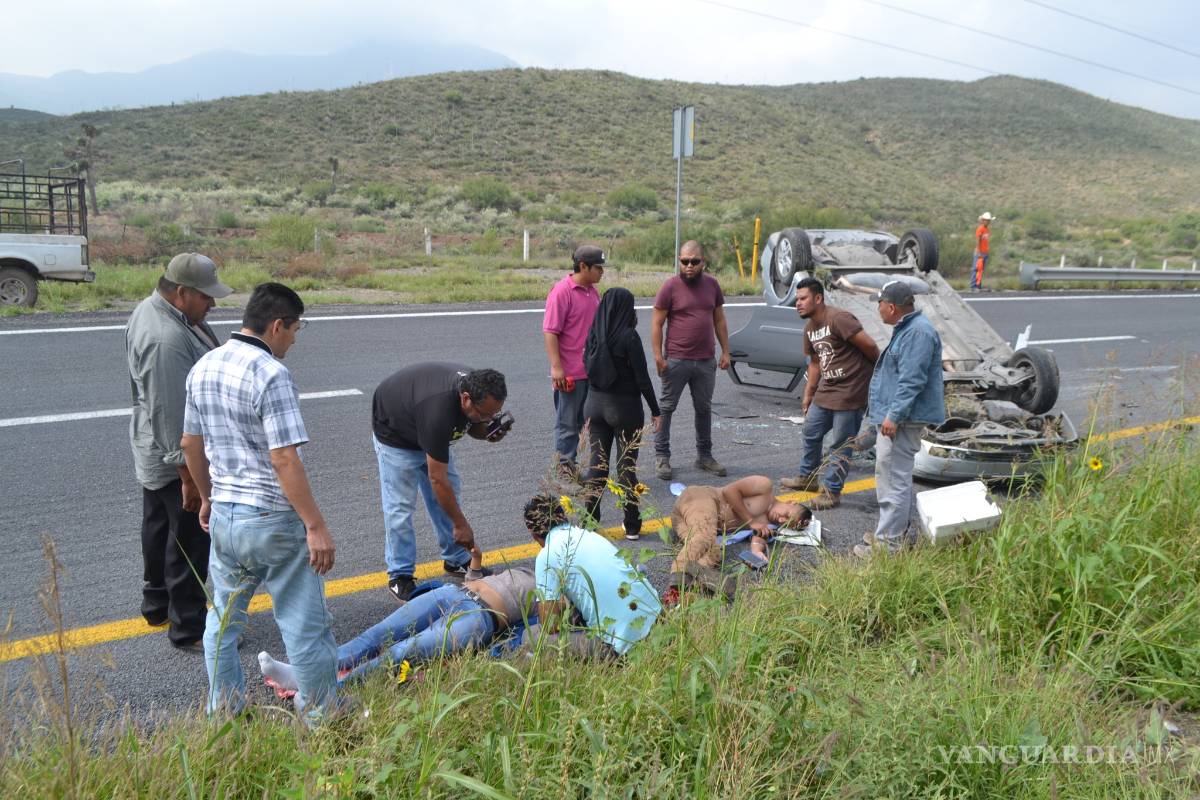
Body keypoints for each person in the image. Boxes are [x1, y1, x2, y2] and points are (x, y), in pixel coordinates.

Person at [181, 282, 341, 724]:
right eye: (295, 330)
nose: (294, 339)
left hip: (226, 517)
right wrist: (315, 525)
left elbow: (190, 443)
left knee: (222, 623)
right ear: (277, 326)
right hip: (271, 519)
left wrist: (207, 496)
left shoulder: (204, 366)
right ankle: (321, 717)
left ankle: (225, 711)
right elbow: (284, 457)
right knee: (304, 626)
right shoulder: (272, 374)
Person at [126, 252, 230, 651]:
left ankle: (156, 605)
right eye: (206, 296)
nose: (212, 303)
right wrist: (190, 477)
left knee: (157, 526)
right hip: (176, 455)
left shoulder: (156, 310)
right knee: (189, 537)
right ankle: (188, 626)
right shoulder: (166, 340)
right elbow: (172, 412)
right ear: (182, 292)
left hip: (151, 446)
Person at [257, 550, 536, 694]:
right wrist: (475, 562)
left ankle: (323, 692)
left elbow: (527, 635)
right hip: (454, 592)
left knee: (401, 652)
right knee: (375, 635)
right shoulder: (529, 568)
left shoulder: (550, 596)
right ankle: (304, 674)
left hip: (478, 617)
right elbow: (476, 580)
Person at [372, 363, 509, 603]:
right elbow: (437, 479)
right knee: (400, 508)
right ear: (465, 399)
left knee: (449, 496)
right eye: (485, 415)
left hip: (425, 423)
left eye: (494, 414)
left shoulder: (478, 388)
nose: (488, 419)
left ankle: (455, 558)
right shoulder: (438, 413)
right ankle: (399, 574)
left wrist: (488, 433)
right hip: (396, 431)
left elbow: (472, 425)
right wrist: (460, 525)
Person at [855, 280, 945, 559]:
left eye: (880, 304)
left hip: (902, 420)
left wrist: (893, 416)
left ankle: (889, 545)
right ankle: (893, 534)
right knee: (892, 477)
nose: (878, 309)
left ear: (892, 307)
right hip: (901, 417)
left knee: (893, 479)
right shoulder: (910, 329)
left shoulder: (917, 333)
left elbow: (911, 380)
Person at [779, 277, 879, 509]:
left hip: (850, 390)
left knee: (841, 445)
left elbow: (870, 346)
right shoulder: (809, 328)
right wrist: (808, 395)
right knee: (811, 431)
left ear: (818, 298)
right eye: (797, 299)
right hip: (828, 388)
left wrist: (876, 375)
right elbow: (815, 363)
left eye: (803, 298)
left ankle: (832, 491)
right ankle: (808, 478)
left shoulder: (839, 319)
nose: (798, 303)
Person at [522, 494, 661, 660]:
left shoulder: (547, 555)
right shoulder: (589, 535)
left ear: (532, 533)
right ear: (563, 516)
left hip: (624, 647)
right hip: (658, 623)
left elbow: (550, 625)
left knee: (531, 636)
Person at [581, 287, 661, 541]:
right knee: (625, 466)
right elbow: (642, 378)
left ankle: (589, 522)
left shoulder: (594, 333)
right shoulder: (629, 336)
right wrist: (655, 410)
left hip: (594, 405)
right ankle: (632, 523)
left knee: (597, 464)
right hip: (624, 408)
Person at [651, 240, 731, 480]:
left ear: (703, 262)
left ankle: (704, 456)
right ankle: (662, 456)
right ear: (679, 261)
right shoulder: (670, 287)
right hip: (676, 359)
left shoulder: (712, 285)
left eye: (694, 262)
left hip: (705, 361)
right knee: (666, 408)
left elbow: (719, 320)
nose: (689, 266)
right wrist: (658, 356)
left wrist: (726, 351)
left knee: (704, 408)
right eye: (684, 261)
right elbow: (657, 323)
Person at [667, 476, 810, 604]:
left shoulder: (769, 524)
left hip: (682, 521)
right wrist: (751, 521)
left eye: (786, 523)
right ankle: (677, 578)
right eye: (787, 515)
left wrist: (757, 551)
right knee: (704, 535)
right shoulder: (765, 487)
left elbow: (758, 539)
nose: (781, 520)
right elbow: (729, 491)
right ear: (791, 502)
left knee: (713, 552)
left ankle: (679, 596)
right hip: (701, 498)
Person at [543, 245, 603, 470]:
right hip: (569, 373)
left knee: (583, 423)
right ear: (583, 266)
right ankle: (564, 470)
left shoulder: (593, 292)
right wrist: (556, 368)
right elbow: (550, 331)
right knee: (567, 425)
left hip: (590, 372)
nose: (602, 272)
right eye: (598, 267)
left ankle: (573, 465)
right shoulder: (562, 292)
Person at [971, 212, 995, 292]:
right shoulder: (980, 229)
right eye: (986, 220)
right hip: (980, 252)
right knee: (976, 269)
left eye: (988, 220)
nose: (988, 222)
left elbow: (985, 241)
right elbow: (978, 240)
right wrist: (978, 252)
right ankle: (973, 286)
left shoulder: (987, 230)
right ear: (983, 220)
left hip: (984, 252)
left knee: (980, 270)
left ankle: (978, 285)